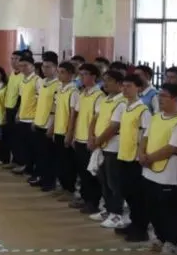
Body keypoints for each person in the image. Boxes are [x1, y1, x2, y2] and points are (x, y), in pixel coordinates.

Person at [139, 83, 177, 255]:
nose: (159, 99)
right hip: (149, 171)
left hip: (169, 174)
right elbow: (145, 138)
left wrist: (149, 158)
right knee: (152, 207)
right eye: (159, 95)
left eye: (163, 96)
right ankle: (160, 238)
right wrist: (141, 154)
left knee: (170, 211)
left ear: (175, 99)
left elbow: (172, 147)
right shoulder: (156, 117)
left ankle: (171, 242)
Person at [114, 74, 152, 241]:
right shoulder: (125, 107)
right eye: (124, 86)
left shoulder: (143, 110)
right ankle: (133, 222)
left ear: (139, 88)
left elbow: (146, 134)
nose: (125, 89)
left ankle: (141, 228)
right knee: (126, 192)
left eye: (129, 86)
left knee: (137, 196)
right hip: (123, 154)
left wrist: (141, 153)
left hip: (135, 159)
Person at [90, 70, 127, 228]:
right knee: (103, 180)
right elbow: (95, 119)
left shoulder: (122, 102)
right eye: (104, 80)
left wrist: (98, 140)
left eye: (109, 80)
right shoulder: (105, 100)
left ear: (119, 84)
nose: (105, 83)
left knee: (114, 182)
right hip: (100, 144)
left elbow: (114, 126)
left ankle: (116, 214)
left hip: (113, 146)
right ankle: (108, 209)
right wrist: (91, 137)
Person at [71, 64, 104, 214]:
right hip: (79, 137)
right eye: (81, 74)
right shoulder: (82, 93)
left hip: (89, 140)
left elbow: (97, 118)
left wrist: (92, 138)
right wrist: (73, 135)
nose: (82, 77)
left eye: (85, 74)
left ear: (93, 76)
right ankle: (85, 199)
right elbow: (77, 114)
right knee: (82, 171)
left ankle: (93, 202)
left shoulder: (99, 95)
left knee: (91, 174)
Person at [30, 59, 60, 191]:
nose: (45, 69)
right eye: (43, 67)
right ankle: (41, 177)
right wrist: (34, 119)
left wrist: (52, 126)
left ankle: (49, 181)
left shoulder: (58, 85)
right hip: (39, 122)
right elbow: (39, 103)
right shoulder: (42, 83)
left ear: (55, 68)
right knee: (40, 154)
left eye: (48, 67)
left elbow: (57, 108)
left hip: (49, 123)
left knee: (49, 155)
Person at [51, 62, 79, 201]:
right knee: (60, 161)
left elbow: (73, 114)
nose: (59, 75)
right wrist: (53, 128)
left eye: (62, 72)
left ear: (70, 74)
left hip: (66, 131)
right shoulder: (60, 89)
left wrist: (69, 133)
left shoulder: (73, 91)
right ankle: (63, 187)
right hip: (58, 129)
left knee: (68, 163)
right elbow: (57, 110)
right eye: (59, 72)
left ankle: (70, 189)